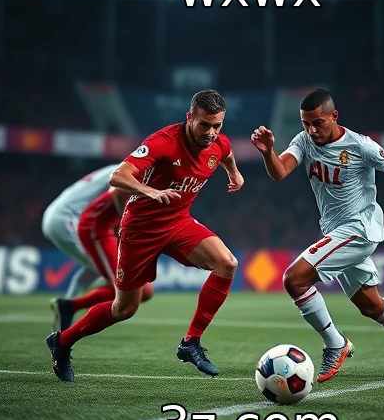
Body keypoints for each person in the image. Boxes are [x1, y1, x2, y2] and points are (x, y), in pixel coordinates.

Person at [251, 89, 384, 383]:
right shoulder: (304, 140)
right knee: (371, 305)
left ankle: (335, 343)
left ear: (334, 116)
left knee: (294, 279)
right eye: (306, 123)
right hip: (336, 231)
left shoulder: (360, 145)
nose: (312, 130)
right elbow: (279, 172)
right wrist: (268, 151)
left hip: (359, 228)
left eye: (318, 122)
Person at [46, 89, 244, 382]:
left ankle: (190, 342)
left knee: (227, 263)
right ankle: (62, 342)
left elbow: (225, 153)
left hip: (177, 222)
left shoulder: (219, 142)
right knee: (124, 309)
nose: (211, 132)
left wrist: (234, 173)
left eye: (217, 125)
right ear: (190, 117)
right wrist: (148, 190)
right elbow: (118, 176)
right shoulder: (163, 142)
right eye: (204, 124)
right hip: (140, 230)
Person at [42, 165, 152, 330]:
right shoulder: (132, 168)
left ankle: (66, 308)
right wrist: (126, 225)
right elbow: (117, 191)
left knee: (95, 268)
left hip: (60, 215)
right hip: (68, 218)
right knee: (127, 285)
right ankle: (68, 308)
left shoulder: (125, 166)